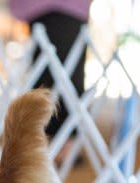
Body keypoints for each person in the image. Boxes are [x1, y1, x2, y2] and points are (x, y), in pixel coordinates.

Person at [9, 0, 91, 165]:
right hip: (65, 10)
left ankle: (55, 144)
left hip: (45, 10)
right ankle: (58, 144)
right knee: (61, 78)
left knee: (49, 78)